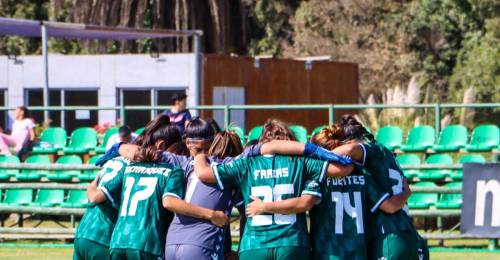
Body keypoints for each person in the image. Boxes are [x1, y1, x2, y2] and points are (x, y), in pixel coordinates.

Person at [245, 124, 412, 260]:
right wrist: (406, 193)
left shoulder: (316, 175)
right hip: (358, 251)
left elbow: (304, 202)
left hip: (327, 251)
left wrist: (264, 206)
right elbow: (389, 205)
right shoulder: (361, 173)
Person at [193, 119, 353, 260]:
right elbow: (342, 170)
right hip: (292, 243)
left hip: (254, 245)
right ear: (291, 141)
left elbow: (203, 174)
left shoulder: (246, 163)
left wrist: (199, 155)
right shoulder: (302, 162)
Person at [103, 117, 249, 260]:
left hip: (171, 243)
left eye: (206, 149)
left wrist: (118, 147)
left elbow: (140, 152)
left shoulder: (181, 163)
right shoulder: (228, 171)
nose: (203, 154)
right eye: (200, 150)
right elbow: (246, 212)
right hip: (202, 244)